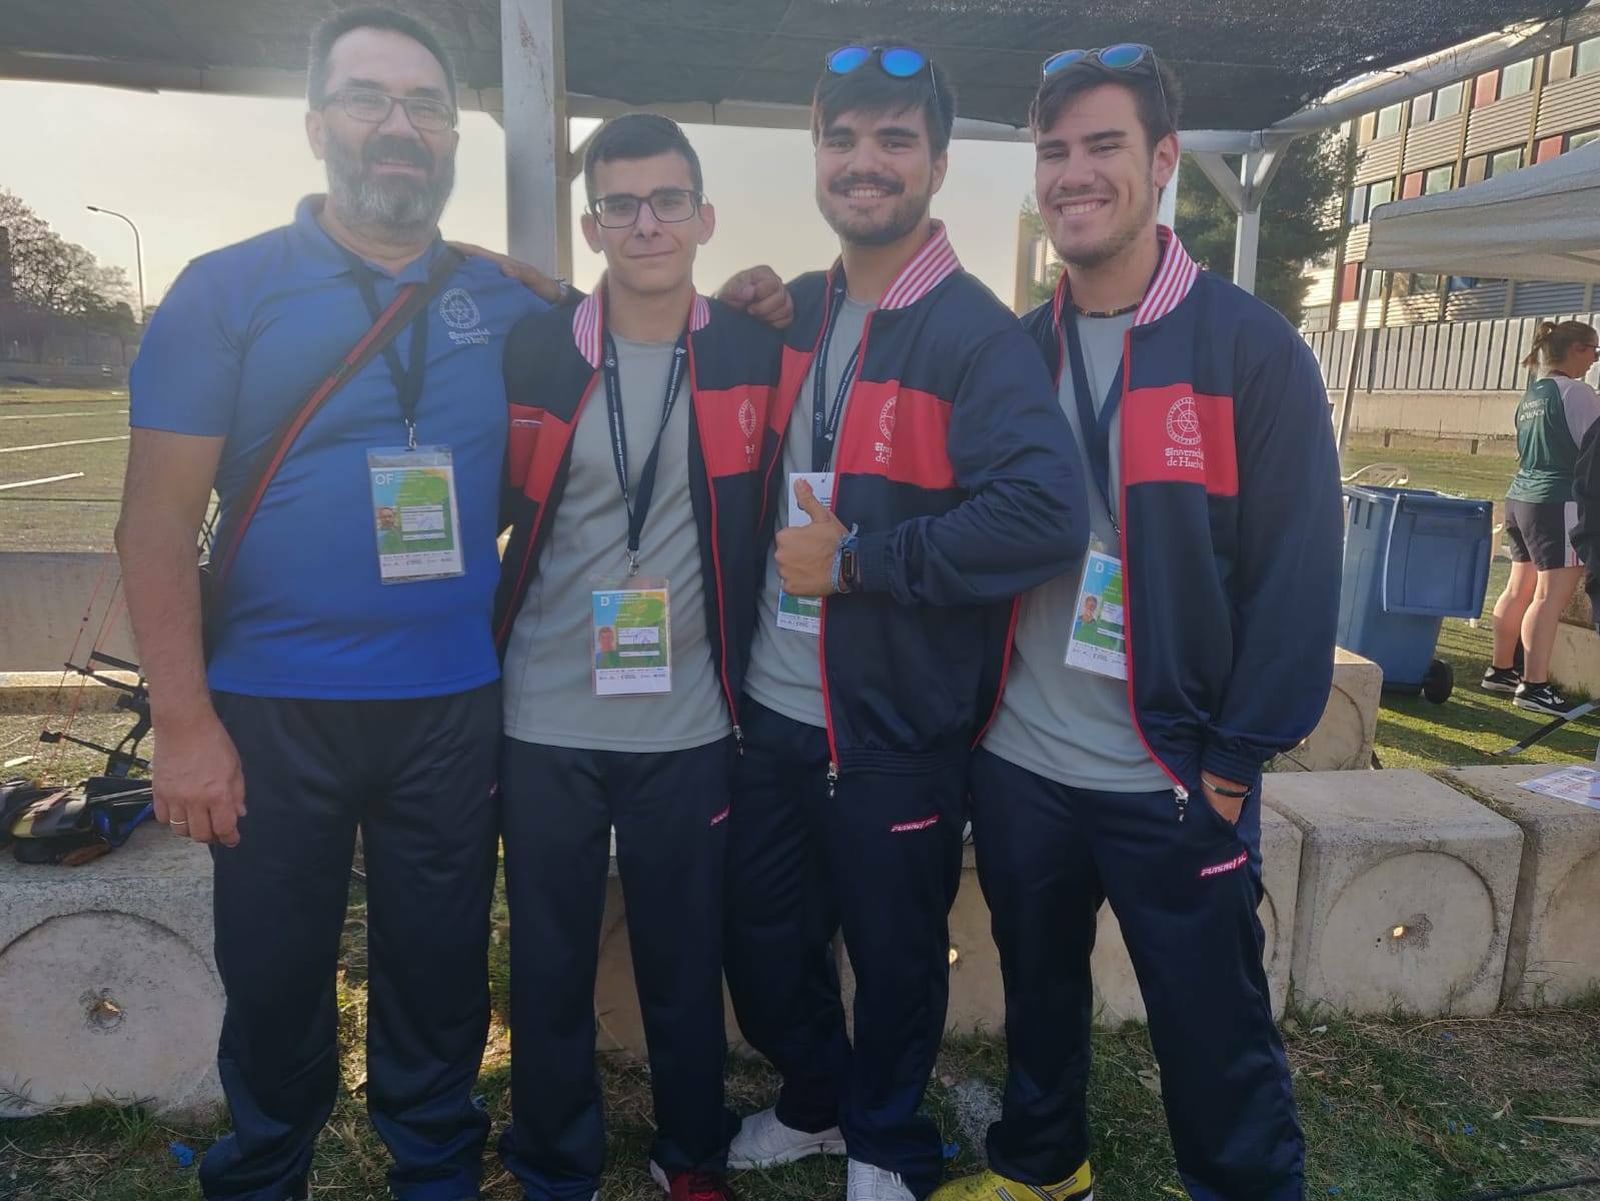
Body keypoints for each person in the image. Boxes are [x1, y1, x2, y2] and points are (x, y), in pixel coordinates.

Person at [115, 9, 561, 1199]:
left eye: (426, 106)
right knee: (273, 970)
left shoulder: (503, 300)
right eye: (369, 98)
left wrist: (762, 298)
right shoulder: (227, 290)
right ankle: (267, 1166)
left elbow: (640, 321)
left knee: (442, 964)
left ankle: (435, 1165)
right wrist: (184, 725)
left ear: (451, 137)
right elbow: (152, 527)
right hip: (271, 705)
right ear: (317, 125)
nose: (398, 125)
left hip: (450, 701)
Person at [933, 44, 1342, 1201]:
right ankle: (1042, 1164)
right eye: (1054, 151)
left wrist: (1232, 760)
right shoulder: (1015, 351)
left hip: (1173, 771)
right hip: (1023, 759)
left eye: (1102, 145)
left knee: (1212, 1021)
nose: (1073, 173)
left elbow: (1295, 576)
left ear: (1162, 161)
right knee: (1037, 993)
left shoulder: (1248, 349)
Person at [720, 44, 1087, 1201]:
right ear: (815, 156)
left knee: (893, 957)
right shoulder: (794, 310)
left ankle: (885, 1140)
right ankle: (816, 1101)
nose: (863, 162)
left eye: (892, 139)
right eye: (841, 139)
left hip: (895, 726)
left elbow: (1043, 517)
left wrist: (861, 562)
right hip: (771, 710)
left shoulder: (973, 332)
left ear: (935, 163)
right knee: (761, 939)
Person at [492, 113, 782, 1201]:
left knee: (682, 953)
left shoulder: (755, 350)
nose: (646, 223)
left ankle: (690, 1149)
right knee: (548, 958)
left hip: (689, 723)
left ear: (704, 217)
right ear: (591, 225)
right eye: (620, 204)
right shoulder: (535, 347)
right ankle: (553, 1156)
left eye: (668, 201)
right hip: (543, 719)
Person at [1483, 319, 1600, 715]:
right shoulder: (1578, 393)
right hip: (1557, 500)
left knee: (1518, 588)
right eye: (1594, 352)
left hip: (1521, 497)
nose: (1594, 361)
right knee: (1549, 597)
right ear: (1577, 349)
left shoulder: (1532, 393)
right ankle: (1534, 685)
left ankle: (1501, 669)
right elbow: (1593, 447)